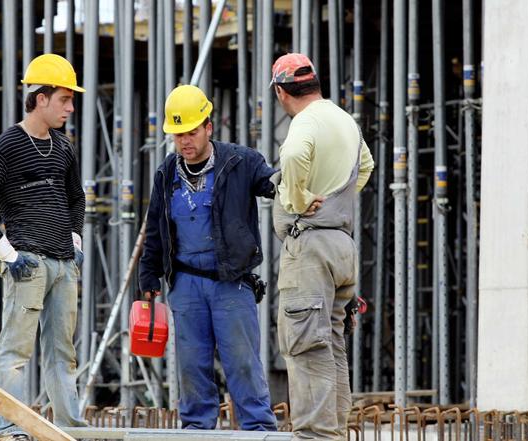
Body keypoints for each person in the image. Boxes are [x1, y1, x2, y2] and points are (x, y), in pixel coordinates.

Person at [0, 53, 87, 439]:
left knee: (62, 354)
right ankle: (10, 429)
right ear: (41, 98)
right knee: (16, 352)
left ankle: (69, 429)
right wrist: (7, 254)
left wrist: (74, 241)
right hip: (28, 262)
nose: (70, 107)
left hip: (63, 265)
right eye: (64, 99)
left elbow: (76, 198)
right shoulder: (8, 145)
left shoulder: (63, 147)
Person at [138, 84, 278, 431]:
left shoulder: (241, 162)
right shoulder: (167, 172)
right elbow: (156, 227)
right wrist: (148, 276)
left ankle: (258, 430)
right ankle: (197, 431)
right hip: (186, 284)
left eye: (191, 132)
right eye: (178, 134)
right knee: (191, 366)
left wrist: (295, 181)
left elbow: (274, 184)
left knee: (243, 363)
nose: (185, 141)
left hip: (231, 282)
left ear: (208, 127)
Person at [270, 53, 375, 440]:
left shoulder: (306, 122)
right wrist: (333, 199)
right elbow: (365, 166)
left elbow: (295, 155)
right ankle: (335, 432)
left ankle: (318, 436)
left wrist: (299, 198)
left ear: (282, 92)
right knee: (330, 344)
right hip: (341, 245)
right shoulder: (344, 119)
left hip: (311, 247)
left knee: (307, 347)